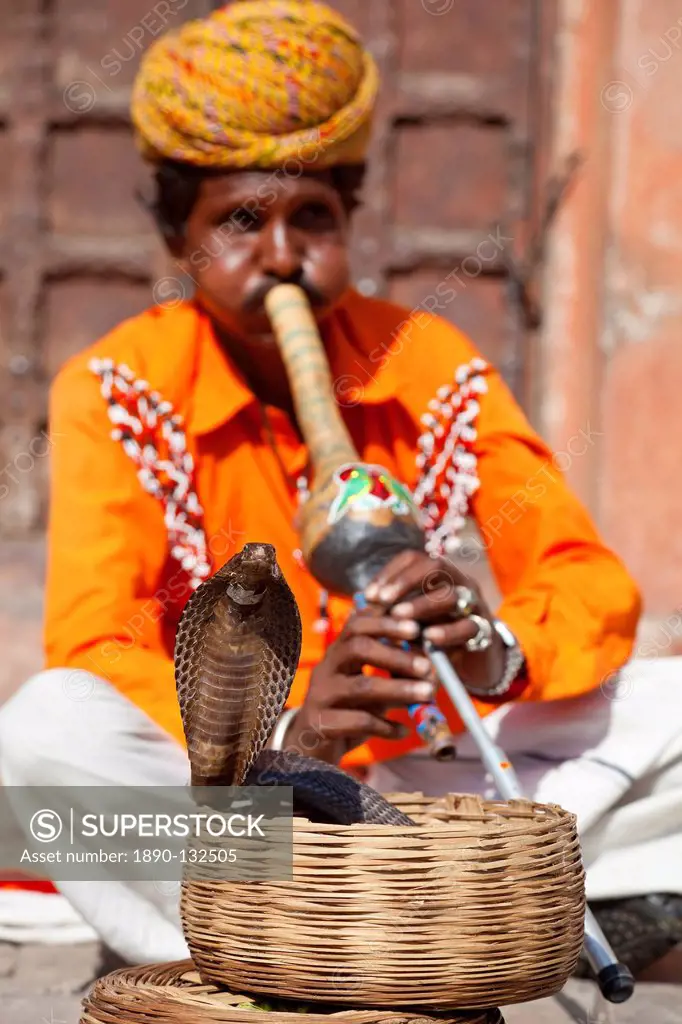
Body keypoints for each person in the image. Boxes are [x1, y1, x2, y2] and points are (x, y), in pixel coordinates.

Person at [0, 0, 680, 979]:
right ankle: (345, 929)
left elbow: (583, 578)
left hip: (418, 772)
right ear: (174, 234)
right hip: (249, 798)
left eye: (310, 217)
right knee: (48, 733)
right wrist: (286, 729)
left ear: (349, 214)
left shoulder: (430, 360)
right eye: (239, 221)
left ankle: (358, 907)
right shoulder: (116, 388)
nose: (281, 256)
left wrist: (494, 648)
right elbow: (97, 640)